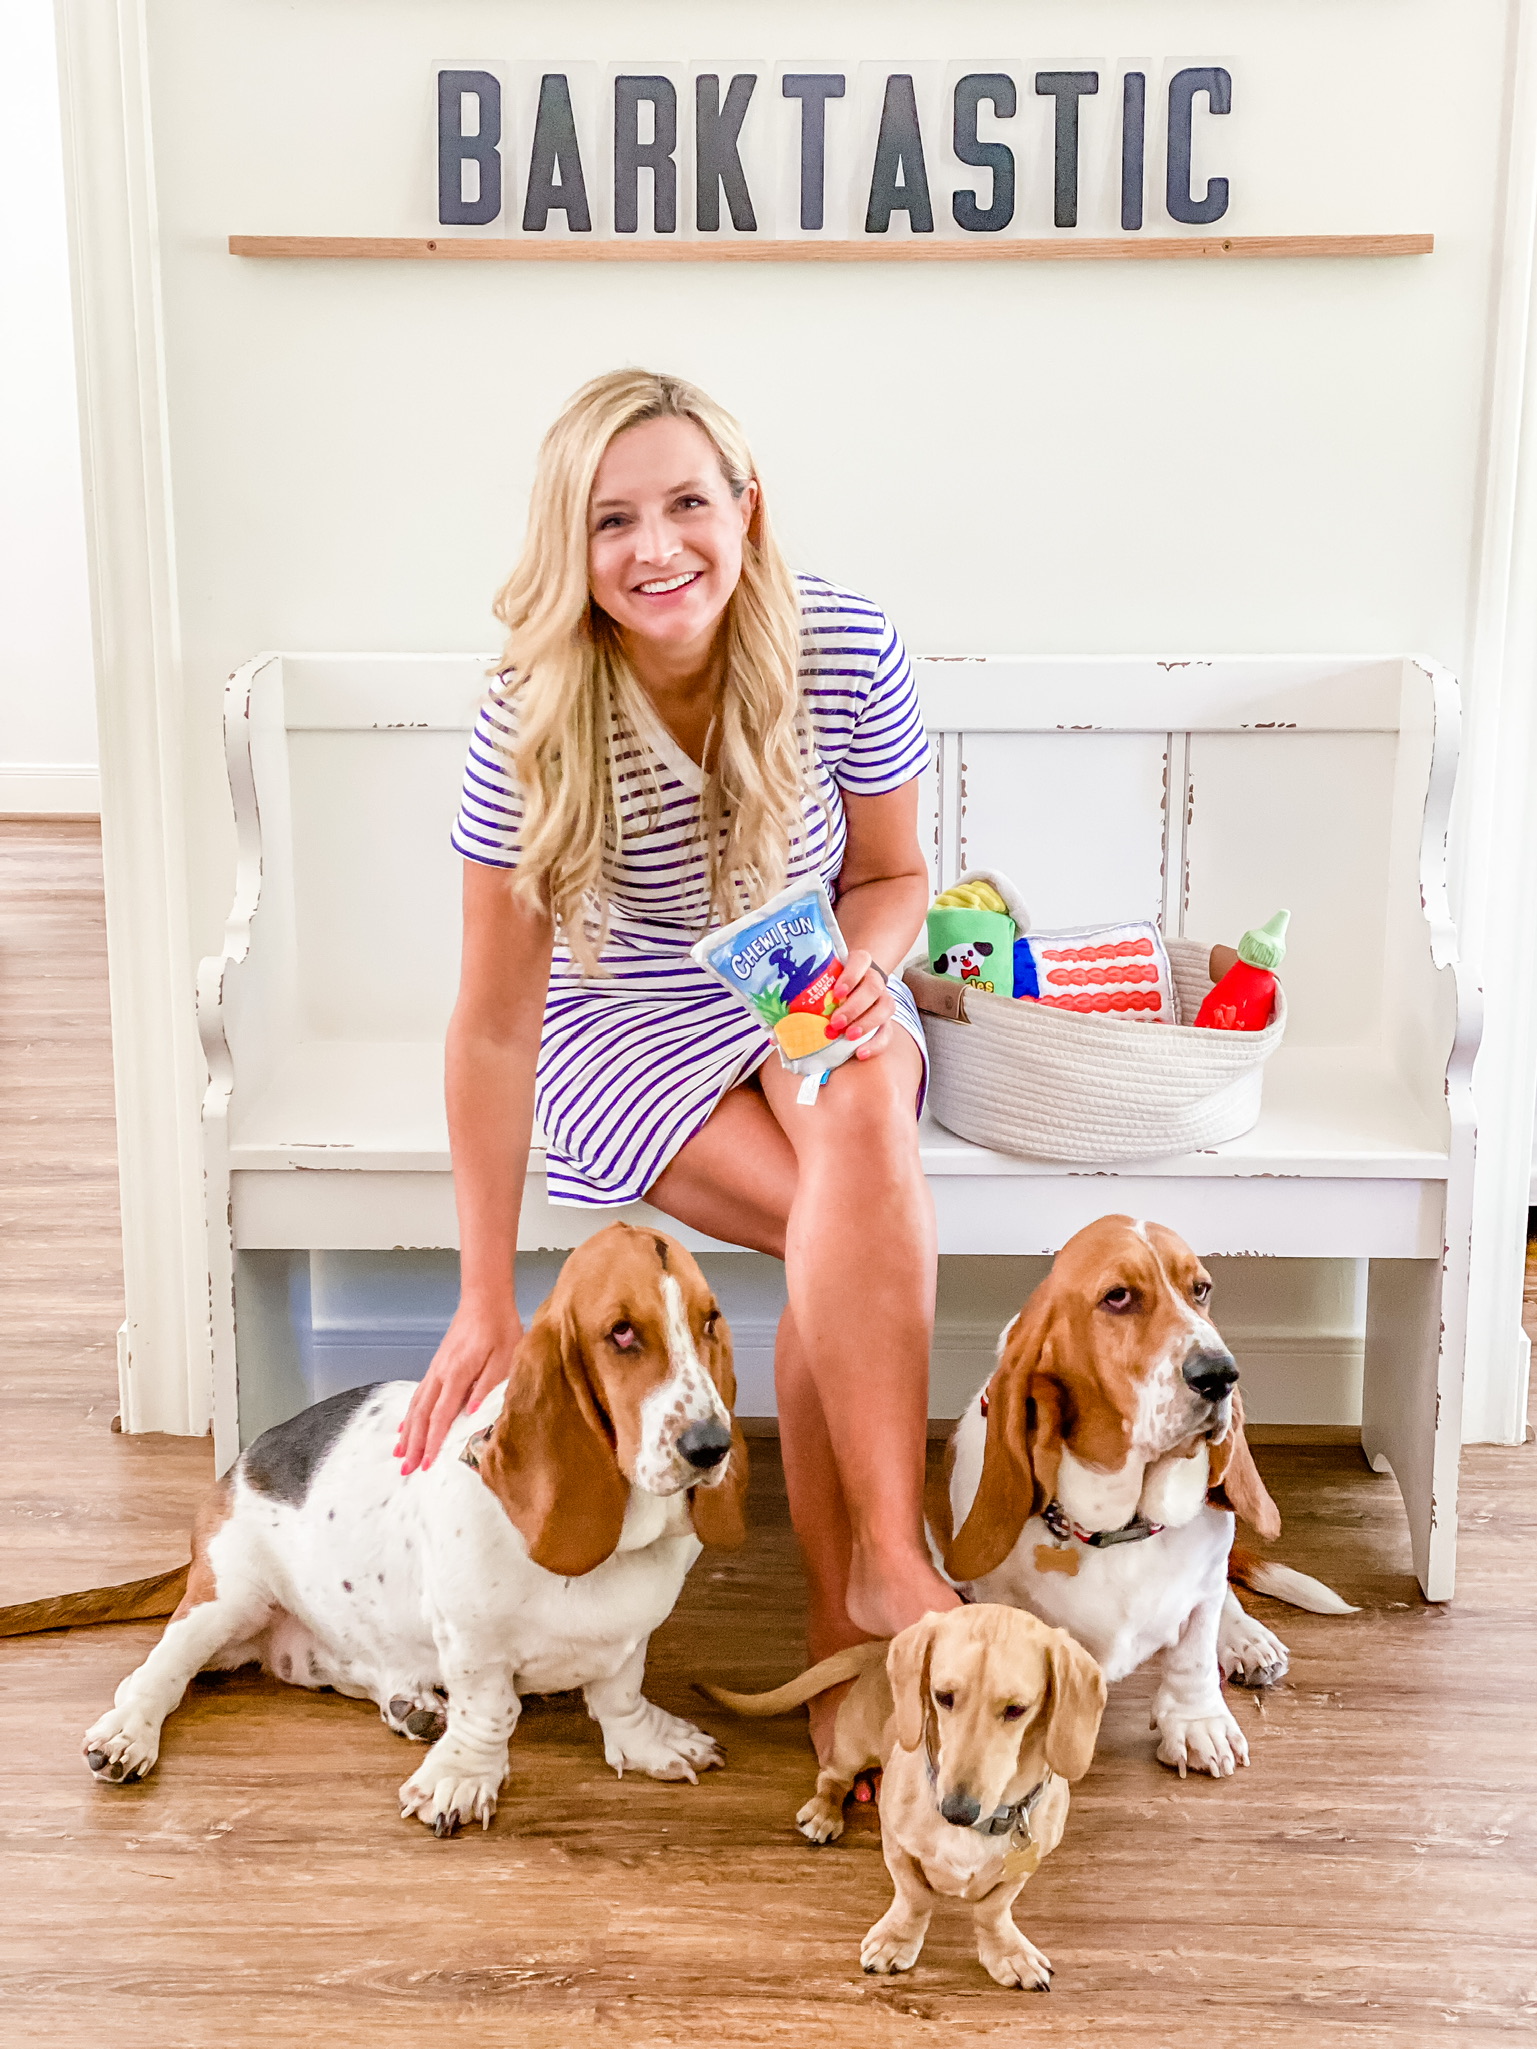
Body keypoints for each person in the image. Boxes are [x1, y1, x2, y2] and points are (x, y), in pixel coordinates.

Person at [395, 369, 958, 1749]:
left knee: (866, 1100)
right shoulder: (530, 716)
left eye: (688, 503)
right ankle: (868, 1602)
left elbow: (893, 877)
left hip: (794, 960)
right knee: (853, 1227)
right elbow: (489, 1023)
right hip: (624, 1016)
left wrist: (854, 982)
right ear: (569, 550)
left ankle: (868, 1577)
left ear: (746, 512)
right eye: (612, 520)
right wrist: (485, 1299)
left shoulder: (840, 645)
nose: (658, 548)